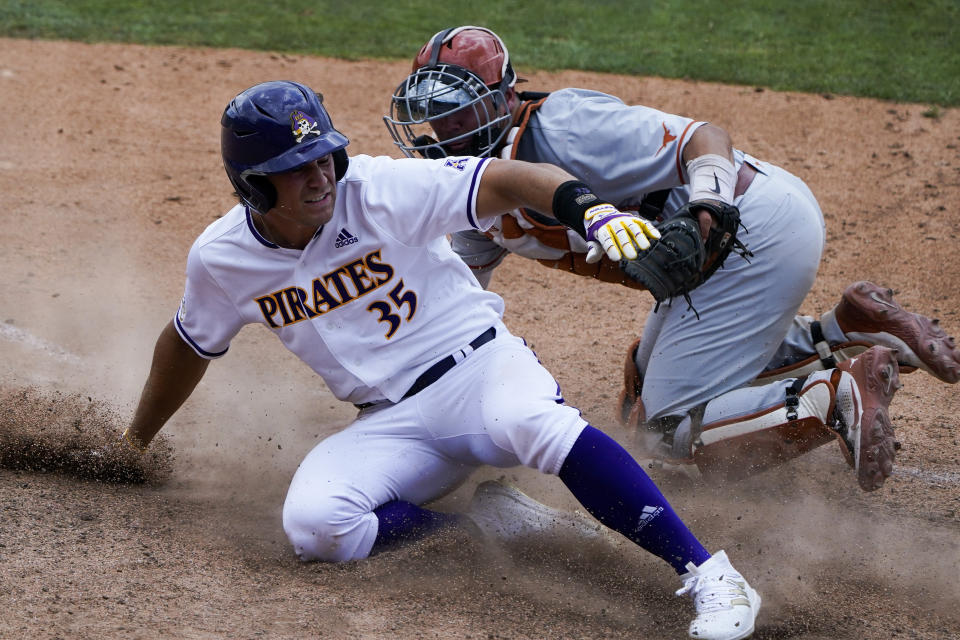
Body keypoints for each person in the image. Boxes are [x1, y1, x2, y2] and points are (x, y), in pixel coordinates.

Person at [120, 80, 761, 640]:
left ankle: (710, 574)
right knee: (316, 527)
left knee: (534, 423)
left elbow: (506, 180)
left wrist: (588, 210)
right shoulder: (222, 258)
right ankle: (479, 526)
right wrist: (136, 441)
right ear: (254, 184)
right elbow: (188, 341)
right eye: (296, 166)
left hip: (481, 372)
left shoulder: (375, 189)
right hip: (391, 425)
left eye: (323, 155)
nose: (319, 175)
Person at [383, 26, 960, 492]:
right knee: (639, 395)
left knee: (666, 431)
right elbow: (457, 296)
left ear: (506, 97)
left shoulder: (564, 126)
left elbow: (702, 136)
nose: (445, 129)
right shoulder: (478, 195)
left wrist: (709, 201)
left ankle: (835, 397)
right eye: (436, 113)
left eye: (460, 112)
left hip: (752, 227)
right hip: (728, 257)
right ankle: (849, 328)